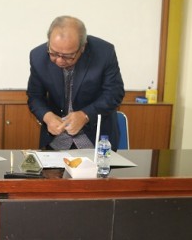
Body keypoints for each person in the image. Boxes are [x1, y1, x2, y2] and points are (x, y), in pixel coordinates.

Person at [27, 16, 124, 151]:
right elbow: (35, 96)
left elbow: (114, 93)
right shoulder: (37, 56)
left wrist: (85, 115)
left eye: (68, 56)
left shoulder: (104, 53)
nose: (60, 61)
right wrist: (47, 117)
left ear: (83, 47)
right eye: (54, 53)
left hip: (95, 142)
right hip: (56, 142)